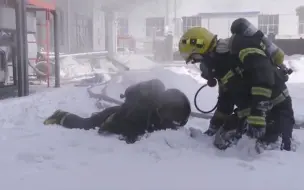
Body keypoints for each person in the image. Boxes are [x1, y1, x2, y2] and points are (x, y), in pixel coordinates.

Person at [178, 18, 295, 151]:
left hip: (276, 108)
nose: (198, 63)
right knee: (222, 140)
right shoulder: (221, 66)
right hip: (250, 114)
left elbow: (263, 77)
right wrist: (213, 128)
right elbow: (225, 102)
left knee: (267, 150)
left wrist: (257, 115)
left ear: (202, 47)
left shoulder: (240, 47)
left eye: (195, 58)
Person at [44, 79, 191, 144]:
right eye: (174, 117)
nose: (173, 121)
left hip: (121, 111)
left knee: (94, 119)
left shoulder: (156, 107)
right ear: (165, 108)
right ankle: (60, 116)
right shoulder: (142, 115)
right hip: (113, 115)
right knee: (85, 124)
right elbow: (114, 126)